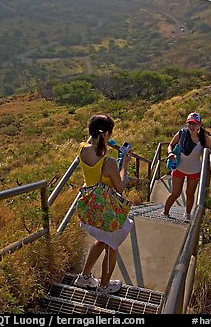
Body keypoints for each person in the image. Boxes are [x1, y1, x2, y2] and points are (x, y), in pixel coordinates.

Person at [74, 114, 134, 294]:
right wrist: (124, 164)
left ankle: (84, 277)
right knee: (111, 246)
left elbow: (94, 149)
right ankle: (105, 286)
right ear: (106, 134)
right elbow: (120, 187)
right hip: (105, 210)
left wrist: (106, 144)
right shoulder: (109, 163)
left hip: (90, 206)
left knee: (100, 241)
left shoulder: (82, 149)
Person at [162, 112, 211, 222]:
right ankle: (165, 212)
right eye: (189, 123)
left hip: (194, 170)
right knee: (175, 193)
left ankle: (188, 213)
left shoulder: (204, 138)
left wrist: (208, 159)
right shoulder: (181, 133)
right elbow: (171, 145)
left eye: (194, 124)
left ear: (199, 125)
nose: (192, 126)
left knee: (190, 194)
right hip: (179, 168)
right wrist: (170, 153)